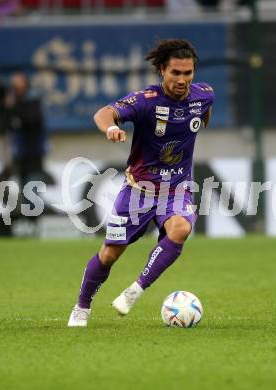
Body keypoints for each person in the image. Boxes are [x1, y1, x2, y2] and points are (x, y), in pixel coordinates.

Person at [68, 39, 214, 327]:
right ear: (162, 70)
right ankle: (81, 307)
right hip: (139, 191)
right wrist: (111, 127)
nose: (182, 80)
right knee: (110, 253)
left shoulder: (204, 96)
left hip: (177, 188)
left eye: (188, 73)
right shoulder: (145, 101)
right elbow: (104, 113)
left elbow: (202, 117)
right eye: (176, 73)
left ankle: (134, 291)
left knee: (181, 228)